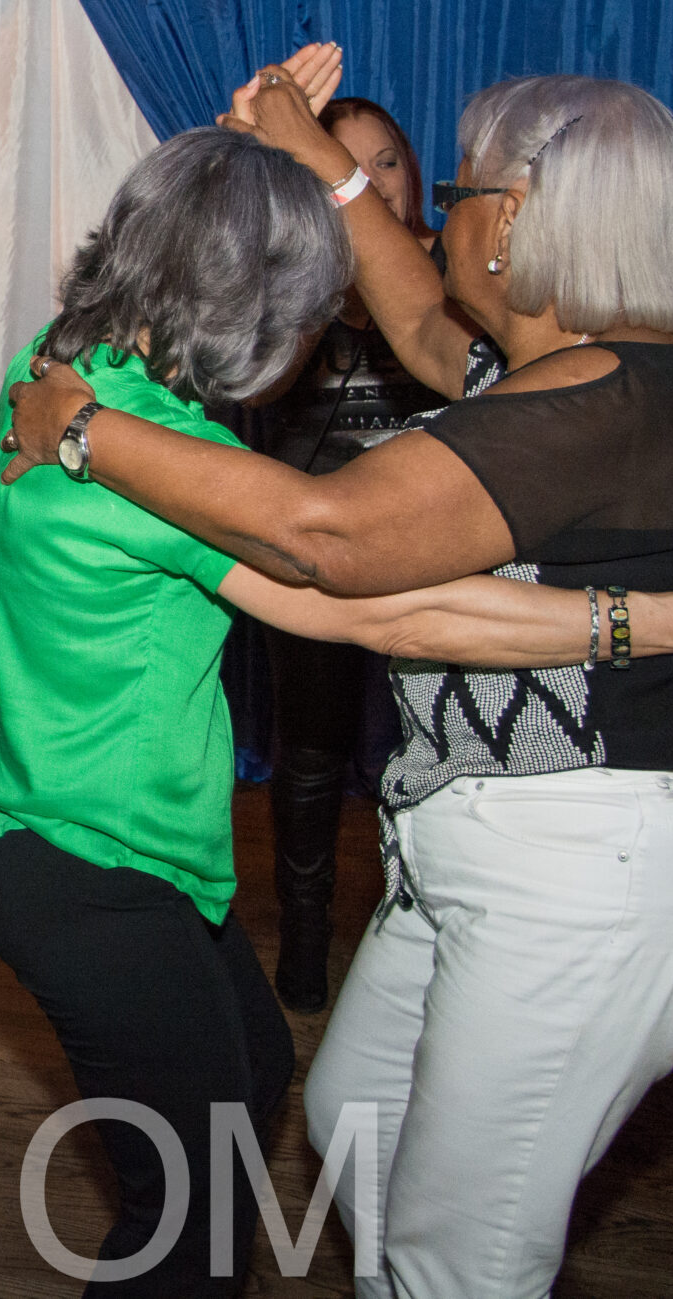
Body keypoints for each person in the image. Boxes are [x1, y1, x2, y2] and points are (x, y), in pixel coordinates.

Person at [0, 126, 673, 1294]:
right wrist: (665, 618)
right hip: (81, 858)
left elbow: (413, 331)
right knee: (185, 1211)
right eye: (302, 319)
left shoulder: (60, 365)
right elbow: (372, 606)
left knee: (253, 1073)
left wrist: (282, 154)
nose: (310, 346)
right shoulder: (145, 452)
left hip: (106, 843)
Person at [246, 96, 444, 1011]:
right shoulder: (296, 281)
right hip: (315, 551)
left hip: (430, 549)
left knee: (435, 744)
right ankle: (305, 931)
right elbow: (253, 386)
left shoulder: (453, 277)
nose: (371, 180)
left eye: (386, 162)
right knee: (312, 748)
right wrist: (323, 285)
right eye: (345, 162)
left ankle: (428, 929)